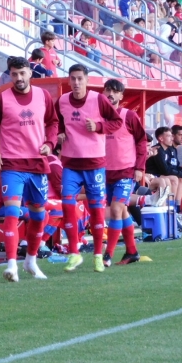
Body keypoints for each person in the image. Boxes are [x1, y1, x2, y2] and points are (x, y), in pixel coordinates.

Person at [0, 56, 58, 282]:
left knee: (38, 216)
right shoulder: (1, 100)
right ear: (10, 75)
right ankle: (11, 265)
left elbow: (53, 122)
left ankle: (31, 261)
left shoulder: (43, 96)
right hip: (11, 164)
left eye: (22, 73)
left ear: (30, 74)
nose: (18, 78)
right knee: (13, 212)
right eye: (14, 74)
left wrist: (50, 144)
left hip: (37, 164)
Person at [55, 65, 122, 272]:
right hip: (71, 164)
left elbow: (116, 121)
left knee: (96, 210)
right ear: (69, 81)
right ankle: (74, 253)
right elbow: (55, 122)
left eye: (80, 79)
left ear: (86, 80)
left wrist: (99, 127)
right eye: (73, 79)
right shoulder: (63, 101)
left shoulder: (98, 99)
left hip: (94, 164)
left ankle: (98, 256)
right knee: (67, 205)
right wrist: (59, 133)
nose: (76, 83)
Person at [102, 79, 154, 267]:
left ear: (121, 96)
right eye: (108, 90)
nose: (111, 94)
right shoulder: (99, 116)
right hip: (105, 172)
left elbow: (141, 141)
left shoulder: (128, 116)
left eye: (115, 91)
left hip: (126, 171)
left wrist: (140, 168)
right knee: (122, 211)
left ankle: (107, 255)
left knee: (116, 209)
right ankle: (132, 251)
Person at [146, 126, 182, 221]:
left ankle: (179, 210)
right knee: (175, 178)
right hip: (154, 177)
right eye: (169, 136)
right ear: (161, 138)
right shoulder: (157, 150)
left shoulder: (171, 150)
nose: (172, 138)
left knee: (181, 178)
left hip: (165, 177)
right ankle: (171, 210)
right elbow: (165, 170)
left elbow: (175, 167)